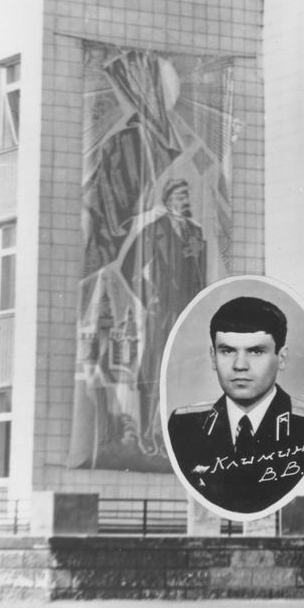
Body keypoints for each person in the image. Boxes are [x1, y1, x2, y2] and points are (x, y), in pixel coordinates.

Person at [166, 296, 304, 515]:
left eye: (256, 351)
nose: (240, 365)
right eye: (227, 351)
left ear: (282, 358)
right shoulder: (184, 425)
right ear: (213, 357)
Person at [122, 178, 207, 458]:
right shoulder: (154, 230)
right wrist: (150, 297)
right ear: (168, 199)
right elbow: (128, 268)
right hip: (162, 313)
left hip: (188, 313)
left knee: (183, 373)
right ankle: (147, 433)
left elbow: (200, 275)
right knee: (154, 370)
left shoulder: (195, 232)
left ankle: (170, 434)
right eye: (180, 196)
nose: (185, 201)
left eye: (187, 195)